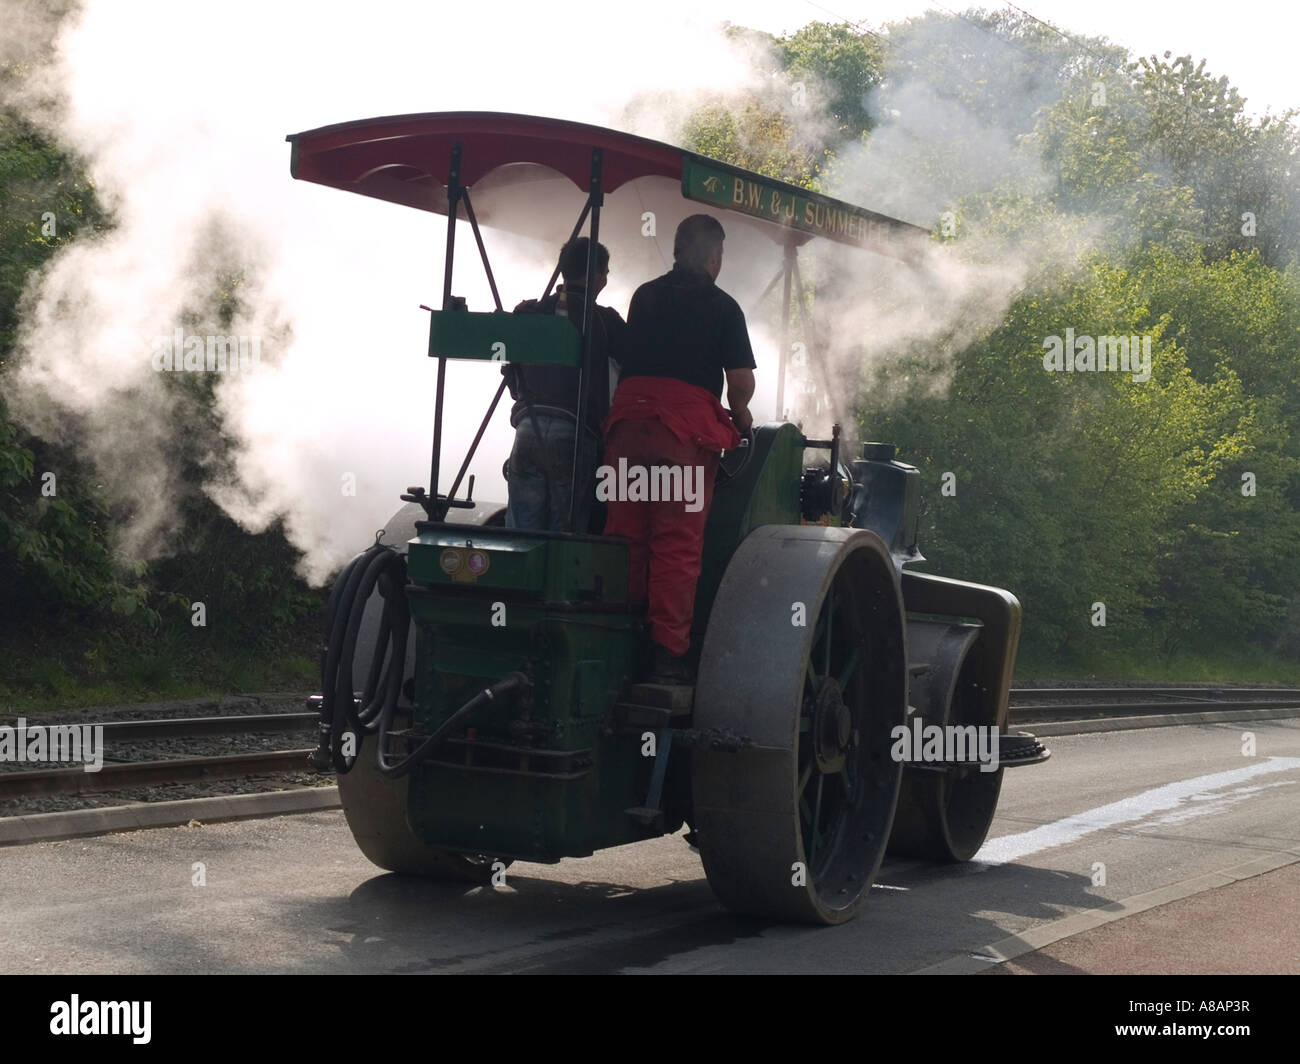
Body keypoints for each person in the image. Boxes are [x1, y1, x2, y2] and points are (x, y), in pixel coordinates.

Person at [604, 214, 756, 684]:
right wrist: (742, 416)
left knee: (626, 535)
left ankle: (613, 643)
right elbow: (740, 383)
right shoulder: (724, 307)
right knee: (676, 544)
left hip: (628, 429)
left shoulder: (644, 296)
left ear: (675, 251)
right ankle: (666, 659)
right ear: (714, 257)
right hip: (681, 438)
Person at [504, 238, 627, 533]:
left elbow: (511, 373)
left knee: (522, 534)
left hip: (527, 431)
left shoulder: (529, 313)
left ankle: (519, 579)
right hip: (575, 435)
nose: (605, 280)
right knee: (565, 536)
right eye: (605, 273)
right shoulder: (606, 321)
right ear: (597, 274)